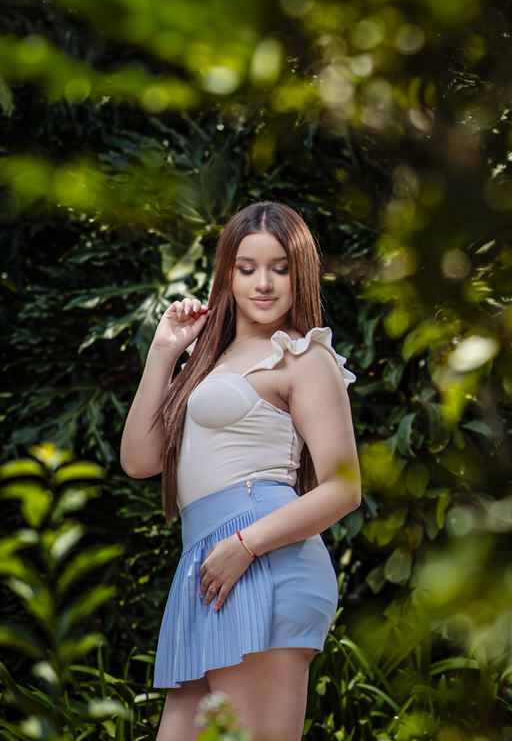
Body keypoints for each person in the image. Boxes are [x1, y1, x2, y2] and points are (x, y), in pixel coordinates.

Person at [120, 201, 361, 741]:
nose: (264, 283)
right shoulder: (211, 359)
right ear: (226, 272)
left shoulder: (302, 357)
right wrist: (163, 353)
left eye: (279, 267)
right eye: (247, 268)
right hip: (209, 565)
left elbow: (344, 488)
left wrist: (245, 545)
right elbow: (140, 460)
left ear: (300, 275)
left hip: (259, 559)